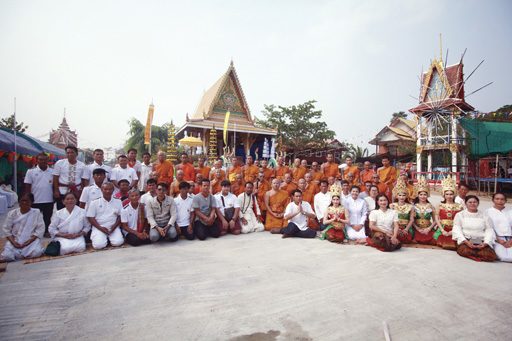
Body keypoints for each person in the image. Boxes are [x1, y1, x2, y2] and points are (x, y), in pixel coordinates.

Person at [0, 193, 45, 261]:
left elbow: (40, 229)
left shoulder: (36, 212)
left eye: (27, 201)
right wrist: (13, 242)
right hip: (15, 239)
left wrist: (29, 241)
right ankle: (19, 254)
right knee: (7, 256)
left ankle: (21, 255)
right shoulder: (12, 213)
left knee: (36, 252)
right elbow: (6, 229)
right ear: (19, 202)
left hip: (30, 240)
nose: (24, 203)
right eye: (22, 200)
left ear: (31, 202)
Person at [453, 195, 497, 262]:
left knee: (490, 256)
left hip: (481, 240)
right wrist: (466, 242)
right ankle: (475, 255)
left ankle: (476, 254)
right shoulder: (460, 215)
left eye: (475, 202)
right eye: (470, 202)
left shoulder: (484, 216)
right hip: (467, 240)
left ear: (478, 203)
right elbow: (457, 229)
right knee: (465, 251)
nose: (472, 204)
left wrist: (485, 243)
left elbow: (489, 230)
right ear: (465, 203)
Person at [86, 182, 124, 250]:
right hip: (99, 227)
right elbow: (90, 217)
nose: (108, 191)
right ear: (101, 190)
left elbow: (120, 216)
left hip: (113, 227)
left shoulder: (118, 201)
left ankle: (108, 238)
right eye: (105, 189)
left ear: (113, 190)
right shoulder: (94, 202)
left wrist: (113, 227)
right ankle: (103, 238)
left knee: (118, 242)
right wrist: (101, 228)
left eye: (110, 189)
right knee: (98, 245)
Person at [24, 153, 54, 234]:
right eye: (40, 159)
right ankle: (33, 232)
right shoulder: (30, 172)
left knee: (47, 218)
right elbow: (27, 186)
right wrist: (28, 199)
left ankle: (46, 231)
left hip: (49, 199)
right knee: (33, 218)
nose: (43, 161)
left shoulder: (53, 172)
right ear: (37, 160)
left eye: (45, 159)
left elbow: (54, 186)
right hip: (35, 200)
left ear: (48, 160)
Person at [53, 145, 87, 210]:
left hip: (76, 191)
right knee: (61, 210)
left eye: (72, 152)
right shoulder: (59, 163)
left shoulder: (82, 165)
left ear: (76, 154)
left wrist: (81, 191)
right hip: (62, 191)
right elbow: (55, 177)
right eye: (68, 153)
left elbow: (83, 180)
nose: (70, 154)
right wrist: (56, 190)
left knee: (75, 210)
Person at [434, 176, 463, 250]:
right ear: (443, 195)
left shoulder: (459, 206)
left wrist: (453, 231)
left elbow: (461, 221)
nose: (449, 196)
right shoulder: (440, 205)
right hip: (442, 228)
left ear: (454, 195)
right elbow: (436, 218)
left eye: (451, 194)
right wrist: (442, 230)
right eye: (447, 194)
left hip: (454, 228)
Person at [486, 192, 512, 262]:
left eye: (502, 199)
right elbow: (489, 228)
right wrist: (499, 240)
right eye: (497, 199)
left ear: (506, 201)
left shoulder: (510, 212)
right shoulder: (488, 212)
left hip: (510, 239)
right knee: (504, 257)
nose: (499, 201)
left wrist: (511, 241)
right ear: (493, 200)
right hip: (496, 239)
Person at [412, 176, 437, 245]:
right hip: (417, 229)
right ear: (418, 195)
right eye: (421, 194)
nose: (423, 196)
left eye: (425, 194)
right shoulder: (414, 207)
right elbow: (411, 220)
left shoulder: (431, 206)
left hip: (428, 229)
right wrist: (417, 229)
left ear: (427, 195)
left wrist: (429, 228)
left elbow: (435, 220)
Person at [390, 179, 415, 244]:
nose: (401, 197)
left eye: (403, 195)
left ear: (406, 196)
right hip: (395, 228)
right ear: (396, 196)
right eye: (400, 195)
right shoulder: (392, 206)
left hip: (406, 228)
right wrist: (396, 229)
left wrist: (406, 229)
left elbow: (411, 220)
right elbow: (390, 219)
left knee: (406, 239)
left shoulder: (410, 206)